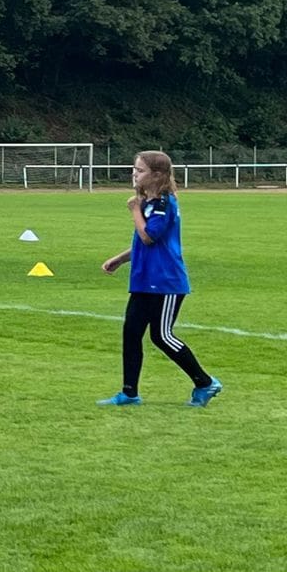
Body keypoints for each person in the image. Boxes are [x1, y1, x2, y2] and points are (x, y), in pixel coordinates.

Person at [99, 151, 222, 407]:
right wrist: (120, 259)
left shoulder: (164, 204)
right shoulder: (149, 203)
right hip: (144, 280)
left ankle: (205, 382)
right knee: (131, 333)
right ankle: (129, 393)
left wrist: (134, 209)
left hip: (165, 282)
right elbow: (143, 242)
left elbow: (149, 236)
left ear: (156, 175)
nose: (134, 174)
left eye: (140, 170)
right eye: (134, 169)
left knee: (162, 335)